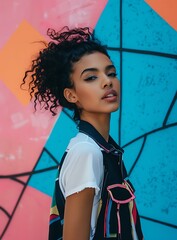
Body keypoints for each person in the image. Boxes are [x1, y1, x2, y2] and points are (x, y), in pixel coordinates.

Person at [22, 27, 144, 240]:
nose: (107, 81)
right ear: (71, 95)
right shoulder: (86, 152)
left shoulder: (107, 152)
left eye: (111, 73)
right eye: (91, 78)